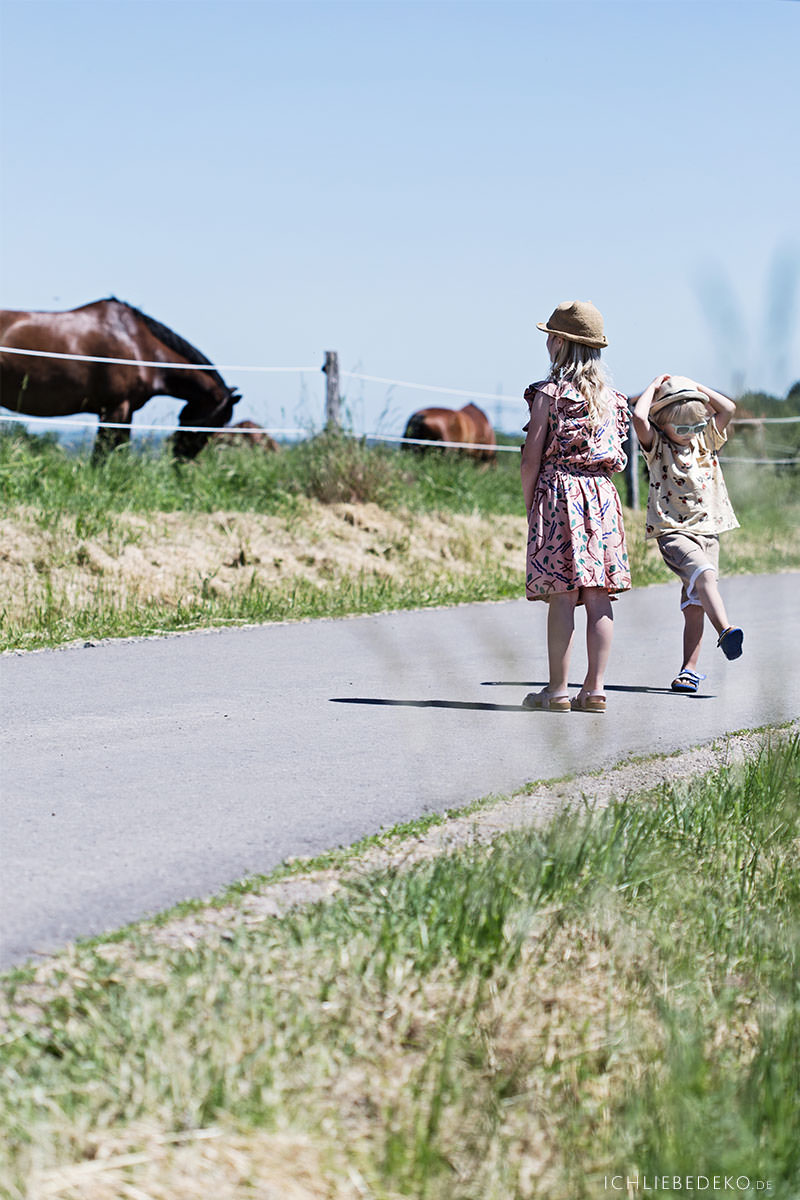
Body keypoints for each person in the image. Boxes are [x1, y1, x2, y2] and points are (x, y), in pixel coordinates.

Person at [520, 300, 631, 714]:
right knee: (598, 595)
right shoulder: (614, 400)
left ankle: (557, 690)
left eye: (551, 335)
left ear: (560, 343)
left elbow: (532, 457)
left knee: (562, 595)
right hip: (601, 497)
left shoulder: (549, 394)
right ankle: (596, 689)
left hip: (559, 492)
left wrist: (531, 505)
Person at [631, 374, 742, 694]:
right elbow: (639, 416)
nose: (690, 433)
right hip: (673, 530)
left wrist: (694, 388)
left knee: (696, 603)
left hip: (709, 531)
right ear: (663, 425)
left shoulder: (706, 439)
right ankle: (725, 631)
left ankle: (688, 671)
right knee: (704, 577)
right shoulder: (657, 447)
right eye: (682, 428)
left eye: (695, 425)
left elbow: (728, 408)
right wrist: (654, 385)